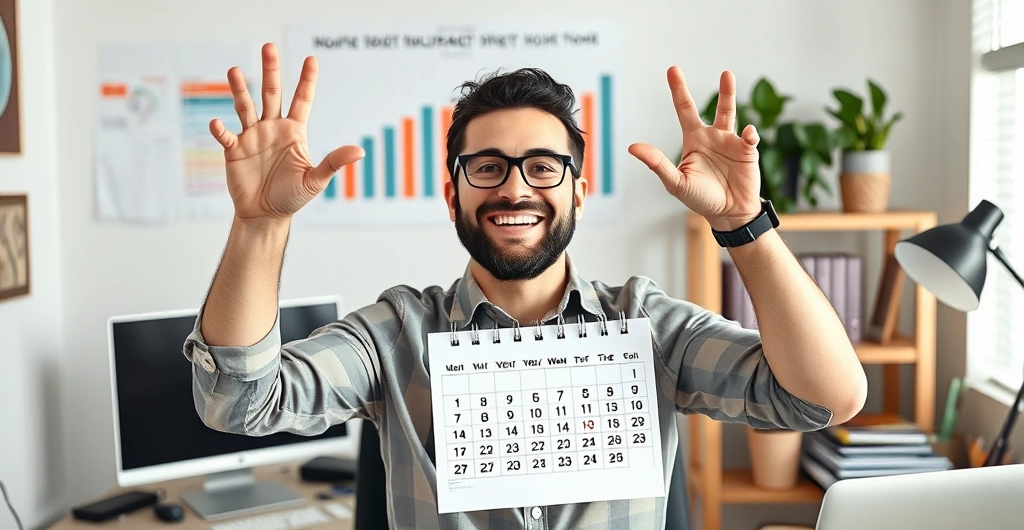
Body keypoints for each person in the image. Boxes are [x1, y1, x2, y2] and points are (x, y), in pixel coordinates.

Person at [183, 43, 867, 529]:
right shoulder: (394, 335)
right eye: (487, 167)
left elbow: (824, 397)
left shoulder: (650, 327)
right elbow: (237, 404)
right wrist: (260, 224)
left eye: (543, 167)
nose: (514, 187)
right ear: (451, 195)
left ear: (579, 190)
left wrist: (744, 223)